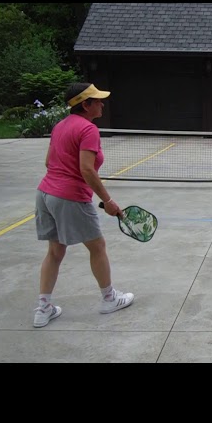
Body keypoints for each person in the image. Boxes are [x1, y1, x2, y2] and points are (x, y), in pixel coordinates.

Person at [32, 82, 134, 328]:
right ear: (84, 104)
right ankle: (109, 299)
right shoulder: (88, 129)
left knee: (55, 252)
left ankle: (43, 309)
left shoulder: (60, 126)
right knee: (97, 246)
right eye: (97, 100)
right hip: (70, 196)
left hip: (45, 194)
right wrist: (107, 201)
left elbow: (48, 161)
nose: (102, 103)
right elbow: (86, 169)